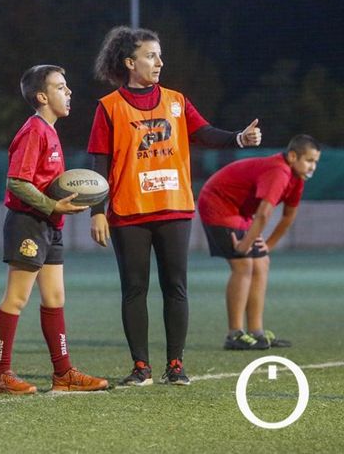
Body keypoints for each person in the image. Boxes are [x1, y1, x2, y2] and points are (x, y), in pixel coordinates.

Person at [88, 26, 262, 386]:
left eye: (159, 55)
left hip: (173, 208)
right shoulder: (109, 107)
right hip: (128, 212)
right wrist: (96, 211)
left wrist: (238, 139)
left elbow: (204, 132)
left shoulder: (176, 101)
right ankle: (141, 368)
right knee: (135, 289)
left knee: (175, 287)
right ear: (130, 62)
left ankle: (175, 366)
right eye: (151, 56)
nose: (159, 62)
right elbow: (98, 164)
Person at [0, 64, 109, 395]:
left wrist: (57, 210)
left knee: (55, 297)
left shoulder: (50, 131)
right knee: (17, 297)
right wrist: (53, 205)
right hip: (28, 222)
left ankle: (63, 373)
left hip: (49, 224)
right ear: (42, 96)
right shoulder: (34, 131)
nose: (68, 92)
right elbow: (17, 181)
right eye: (60, 87)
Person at [198, 135, 321, 350]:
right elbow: (264, 214)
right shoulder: (280, 171)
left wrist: (269, 245)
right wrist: (245, 245)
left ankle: (257, 333)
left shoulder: (297, 177)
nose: (313, 167)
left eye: (316, 162)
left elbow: (289, 216)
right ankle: (234, 334)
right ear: (293, 156)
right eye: (309, 160)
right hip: (218, 202)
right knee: (243, 264)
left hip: (240, 210)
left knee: (262, 262)